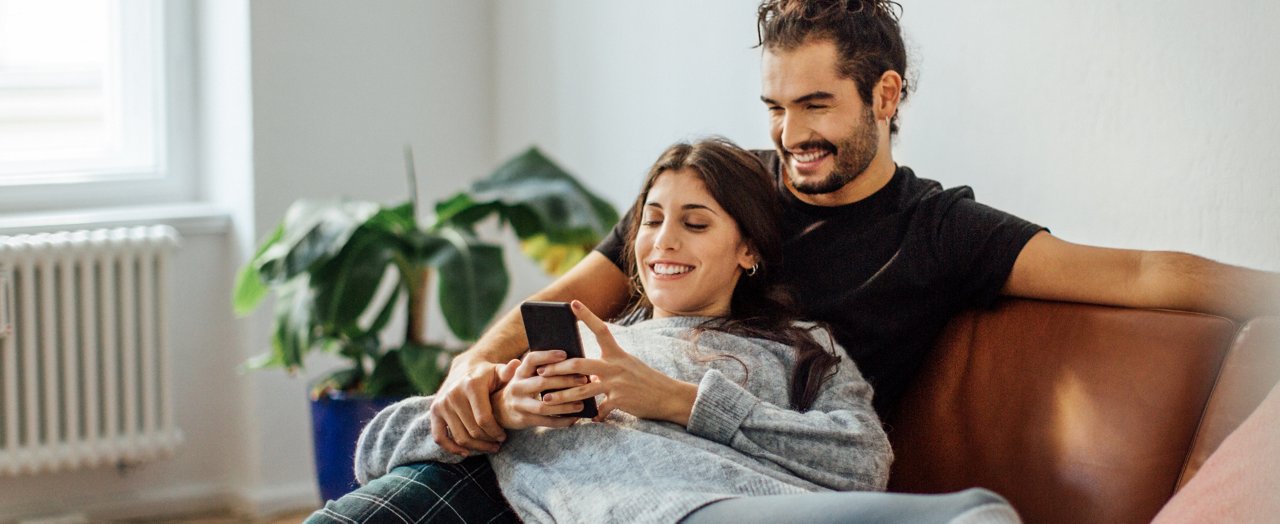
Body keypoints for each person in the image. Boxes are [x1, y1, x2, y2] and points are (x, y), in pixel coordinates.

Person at [318, 0, 1280, 520]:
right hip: (559, 461)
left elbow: (1145, 276)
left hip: (735, 481)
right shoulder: (720, 199)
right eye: (775, 108)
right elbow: (566, 299)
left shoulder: (940, 230)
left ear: (884, 96)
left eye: (814, 107)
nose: (788, 136)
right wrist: (467, 379)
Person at [309, 138, 1018, 523]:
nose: (661, 242)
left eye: (695, 222)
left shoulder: (802, 348)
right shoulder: (580, 340)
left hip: (708, 507)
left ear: (748, 252)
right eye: (652, 219)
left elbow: (863, 461)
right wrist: (495, 407)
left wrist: (677, 400)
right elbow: (378, 448)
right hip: (528, 500)